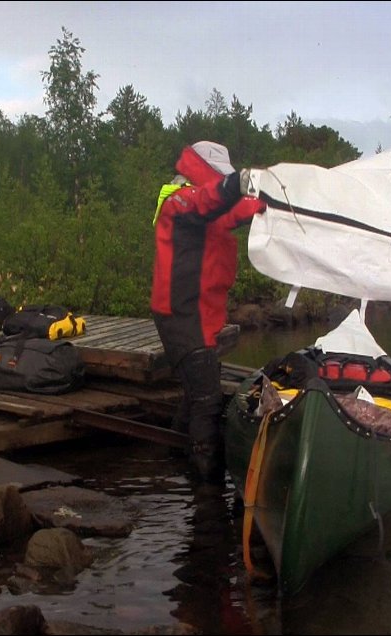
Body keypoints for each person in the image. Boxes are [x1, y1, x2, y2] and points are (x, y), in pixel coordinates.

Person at [151, 141, 266, 484]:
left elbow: (232, 211)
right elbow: (207, 201)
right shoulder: (178, 202)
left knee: (196, 393)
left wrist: (265, 204)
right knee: (207, 401)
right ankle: (206, 487)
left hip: (197, 315)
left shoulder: (206, 211)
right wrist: (236, 184)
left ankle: (174, 461)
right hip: (182, 315)